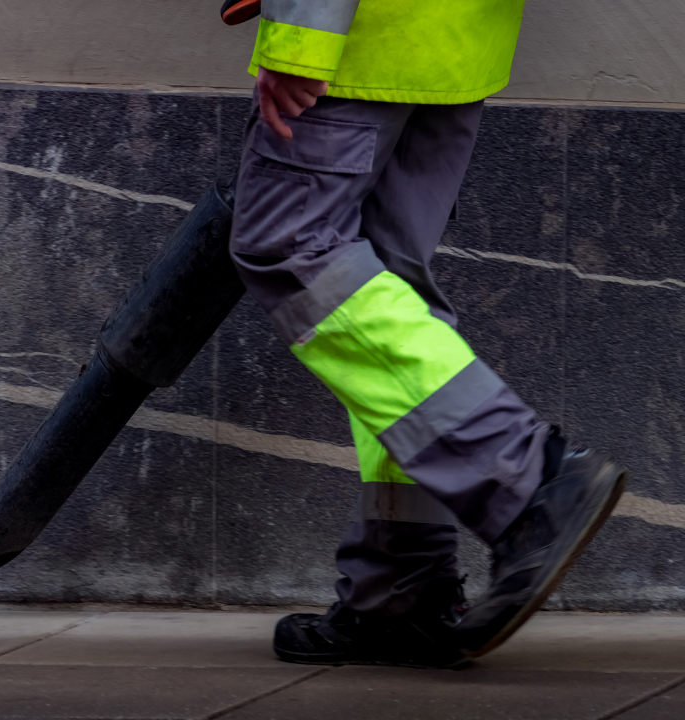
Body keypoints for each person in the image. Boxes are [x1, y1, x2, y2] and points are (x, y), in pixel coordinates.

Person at [228, 1, 628, 668]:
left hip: (360, 42)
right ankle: (401, 588)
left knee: (291, 250)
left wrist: (302, 38)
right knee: (385, 290)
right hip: (452, 42)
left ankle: (524, 476)